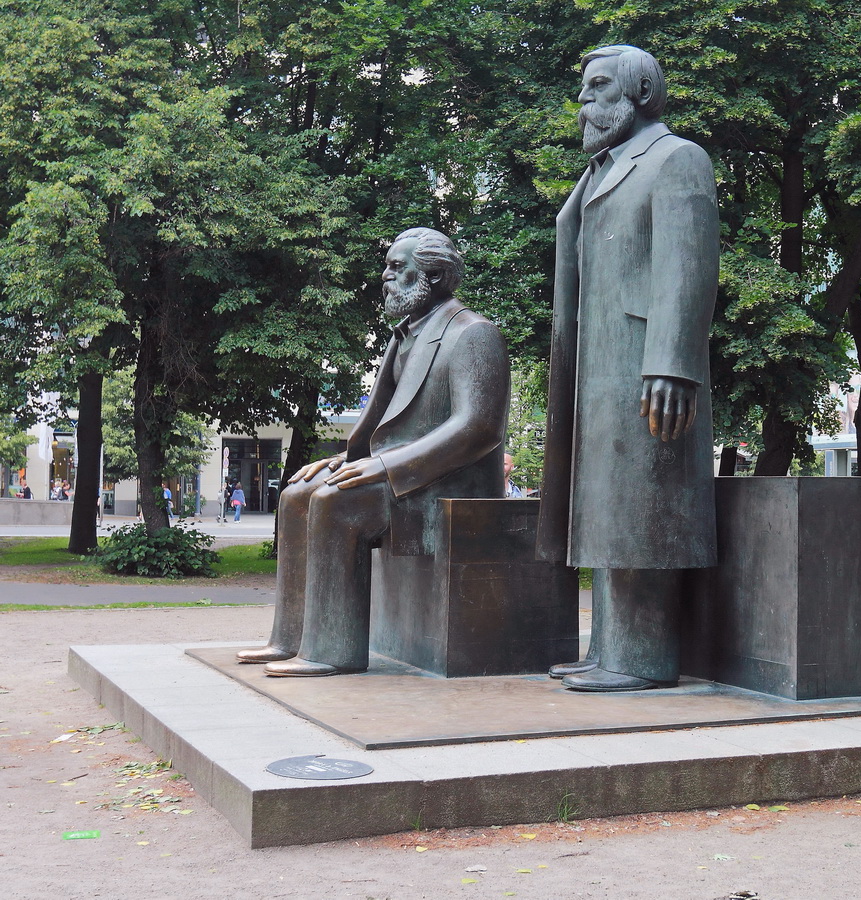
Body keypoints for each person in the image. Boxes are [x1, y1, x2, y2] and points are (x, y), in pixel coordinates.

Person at [238, 227, 510, 677]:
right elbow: (382, 422)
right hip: (405, 475)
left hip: (449, 484)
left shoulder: (474, 334)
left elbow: (477, 429)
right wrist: (348, 459)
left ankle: (333, 650)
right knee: (298, 493)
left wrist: (384, 465)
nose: (384, 277)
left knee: (335, 502)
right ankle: (289, 639)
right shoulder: (403, 338)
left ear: (436, 275)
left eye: (397, 268)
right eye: (386, 266)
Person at [537, 45, 719, 692]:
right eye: (583, 89)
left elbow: (688, 269)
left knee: (642, 508)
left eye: (597, 87)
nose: (583, 103)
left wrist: (672, 362)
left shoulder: (677, 159)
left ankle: (642, 657)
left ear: (639, 93)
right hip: (599, 369)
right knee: (607, 508)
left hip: (648, 369)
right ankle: (608, 647)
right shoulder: (598, 172)